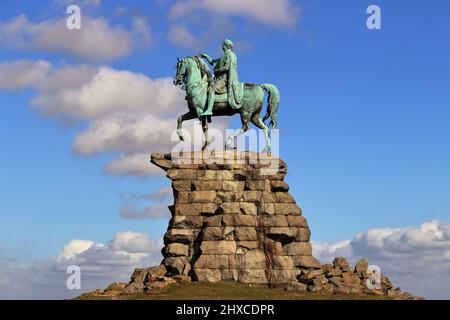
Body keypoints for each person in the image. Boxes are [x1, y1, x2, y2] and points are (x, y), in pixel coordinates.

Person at [200, 39, 242, 116]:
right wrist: (206, 56)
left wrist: (218, 70)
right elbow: (213, 62)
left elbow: (227, 67)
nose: (221, 46)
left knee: (211, 89)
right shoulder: (224, 55)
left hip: (224, 79)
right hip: (219, 78)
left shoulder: (230, 55)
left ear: (226, 45)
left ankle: (209, 110)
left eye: (223, 44)